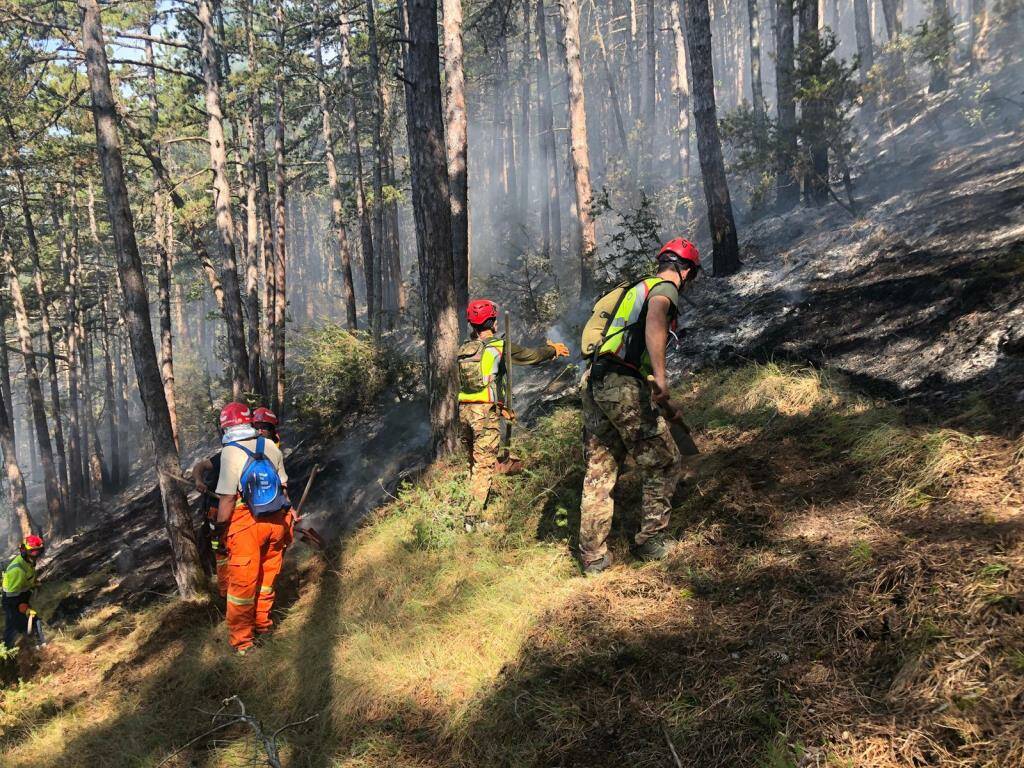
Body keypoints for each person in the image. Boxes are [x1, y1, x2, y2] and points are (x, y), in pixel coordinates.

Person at [577, 238, 700, 575]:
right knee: (662, 461)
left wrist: (660, 399)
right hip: (619, 382)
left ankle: (593, 557)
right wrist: (661, 378)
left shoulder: (636, 288)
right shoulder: (665, 288)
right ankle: (652, 540)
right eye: (692, 273)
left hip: (595, 381)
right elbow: (656, 322)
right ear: (685, 269)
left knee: (600, 470)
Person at [457, 299, 570, 532]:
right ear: (492, 322)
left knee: (474, 463)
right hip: (484, 413)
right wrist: (553, 350)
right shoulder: (499, 346)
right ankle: (472, 521)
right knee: (485, 465)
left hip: (465, 411)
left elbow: (480, 383)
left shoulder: (466, 349)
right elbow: (530, 355)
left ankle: (471, 508)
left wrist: (501, 406)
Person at [213, 402, 293, 654]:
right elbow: (283, 489)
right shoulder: (270, 446)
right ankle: (263, 626)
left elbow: (226, 500)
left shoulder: (230, 453)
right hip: (276, 523)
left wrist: (219, 527)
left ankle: (243, 644)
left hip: (246, 526)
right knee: (267, 580)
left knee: (242, 589)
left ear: (225, 426)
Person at [192, 446, 227, 597]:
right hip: (215, 509)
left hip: (237, 511)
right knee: (219, 549)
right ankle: (224, 590)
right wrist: (199, 480)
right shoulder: (225, 456)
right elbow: (200, 466)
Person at [3, 535, 45, 650]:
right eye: (33, 551)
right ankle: (40, 649)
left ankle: (27, 649)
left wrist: (34, 583)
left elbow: (26, 578)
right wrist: (21, 605)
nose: (36, 554)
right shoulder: (17, 569)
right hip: (13, 600)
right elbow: (12, 593)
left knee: (15, 626)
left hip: (21, 596)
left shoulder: (29, 561)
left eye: (38, 551)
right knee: (27, 623)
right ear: (24, 550)